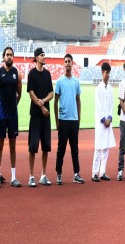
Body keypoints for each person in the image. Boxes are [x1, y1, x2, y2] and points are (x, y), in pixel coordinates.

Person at [0, 46, 22, 188]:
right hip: (1, 116)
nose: (9, 56)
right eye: (7, 54)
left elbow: (19, 94)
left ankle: (13, 177)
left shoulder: (17, 73)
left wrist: (13, 106)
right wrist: (0, 107)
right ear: (3, 57)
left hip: (13, 116)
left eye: (11, 54)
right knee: (0, 146)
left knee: (13, 146)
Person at [54, 54, 83, 185]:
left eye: (69, 61)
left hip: (73, 121)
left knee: (74, 149)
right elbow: (55, 101)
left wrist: (79, 118)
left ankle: (76, 173)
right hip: (63, 120)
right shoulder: (60, 81)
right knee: (61, 148)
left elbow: (78, 100)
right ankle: (59, 174)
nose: (67, 63)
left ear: (72, 63)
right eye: (65, 61)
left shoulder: (76, 82)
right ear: (64, 64)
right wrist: (57, 120)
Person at [27, 48, 54, 187]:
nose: (44, 57)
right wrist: (42, 106)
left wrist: (43, 101)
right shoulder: (31, 74)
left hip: (46, 115)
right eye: (42, 55)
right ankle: (31, 176)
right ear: (36, 58)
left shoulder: (47, 74)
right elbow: (31, 94)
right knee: (33, 146)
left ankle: (43, 175)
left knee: (46, 146)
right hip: (36, 115)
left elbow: (51, 93)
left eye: (44, 55)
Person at [92, 62, 116, 182]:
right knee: (98, 147)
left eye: (109, 72)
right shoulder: (98, 89)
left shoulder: (110, 88)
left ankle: (102, 172)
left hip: (108, 122)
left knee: (106, 147)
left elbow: (112, 104)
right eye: (106, 72)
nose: (108, 75)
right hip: (101, 122)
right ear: (102, 73)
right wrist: (104, 119)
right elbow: (98, 107)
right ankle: (94, 173)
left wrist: (110, 118)